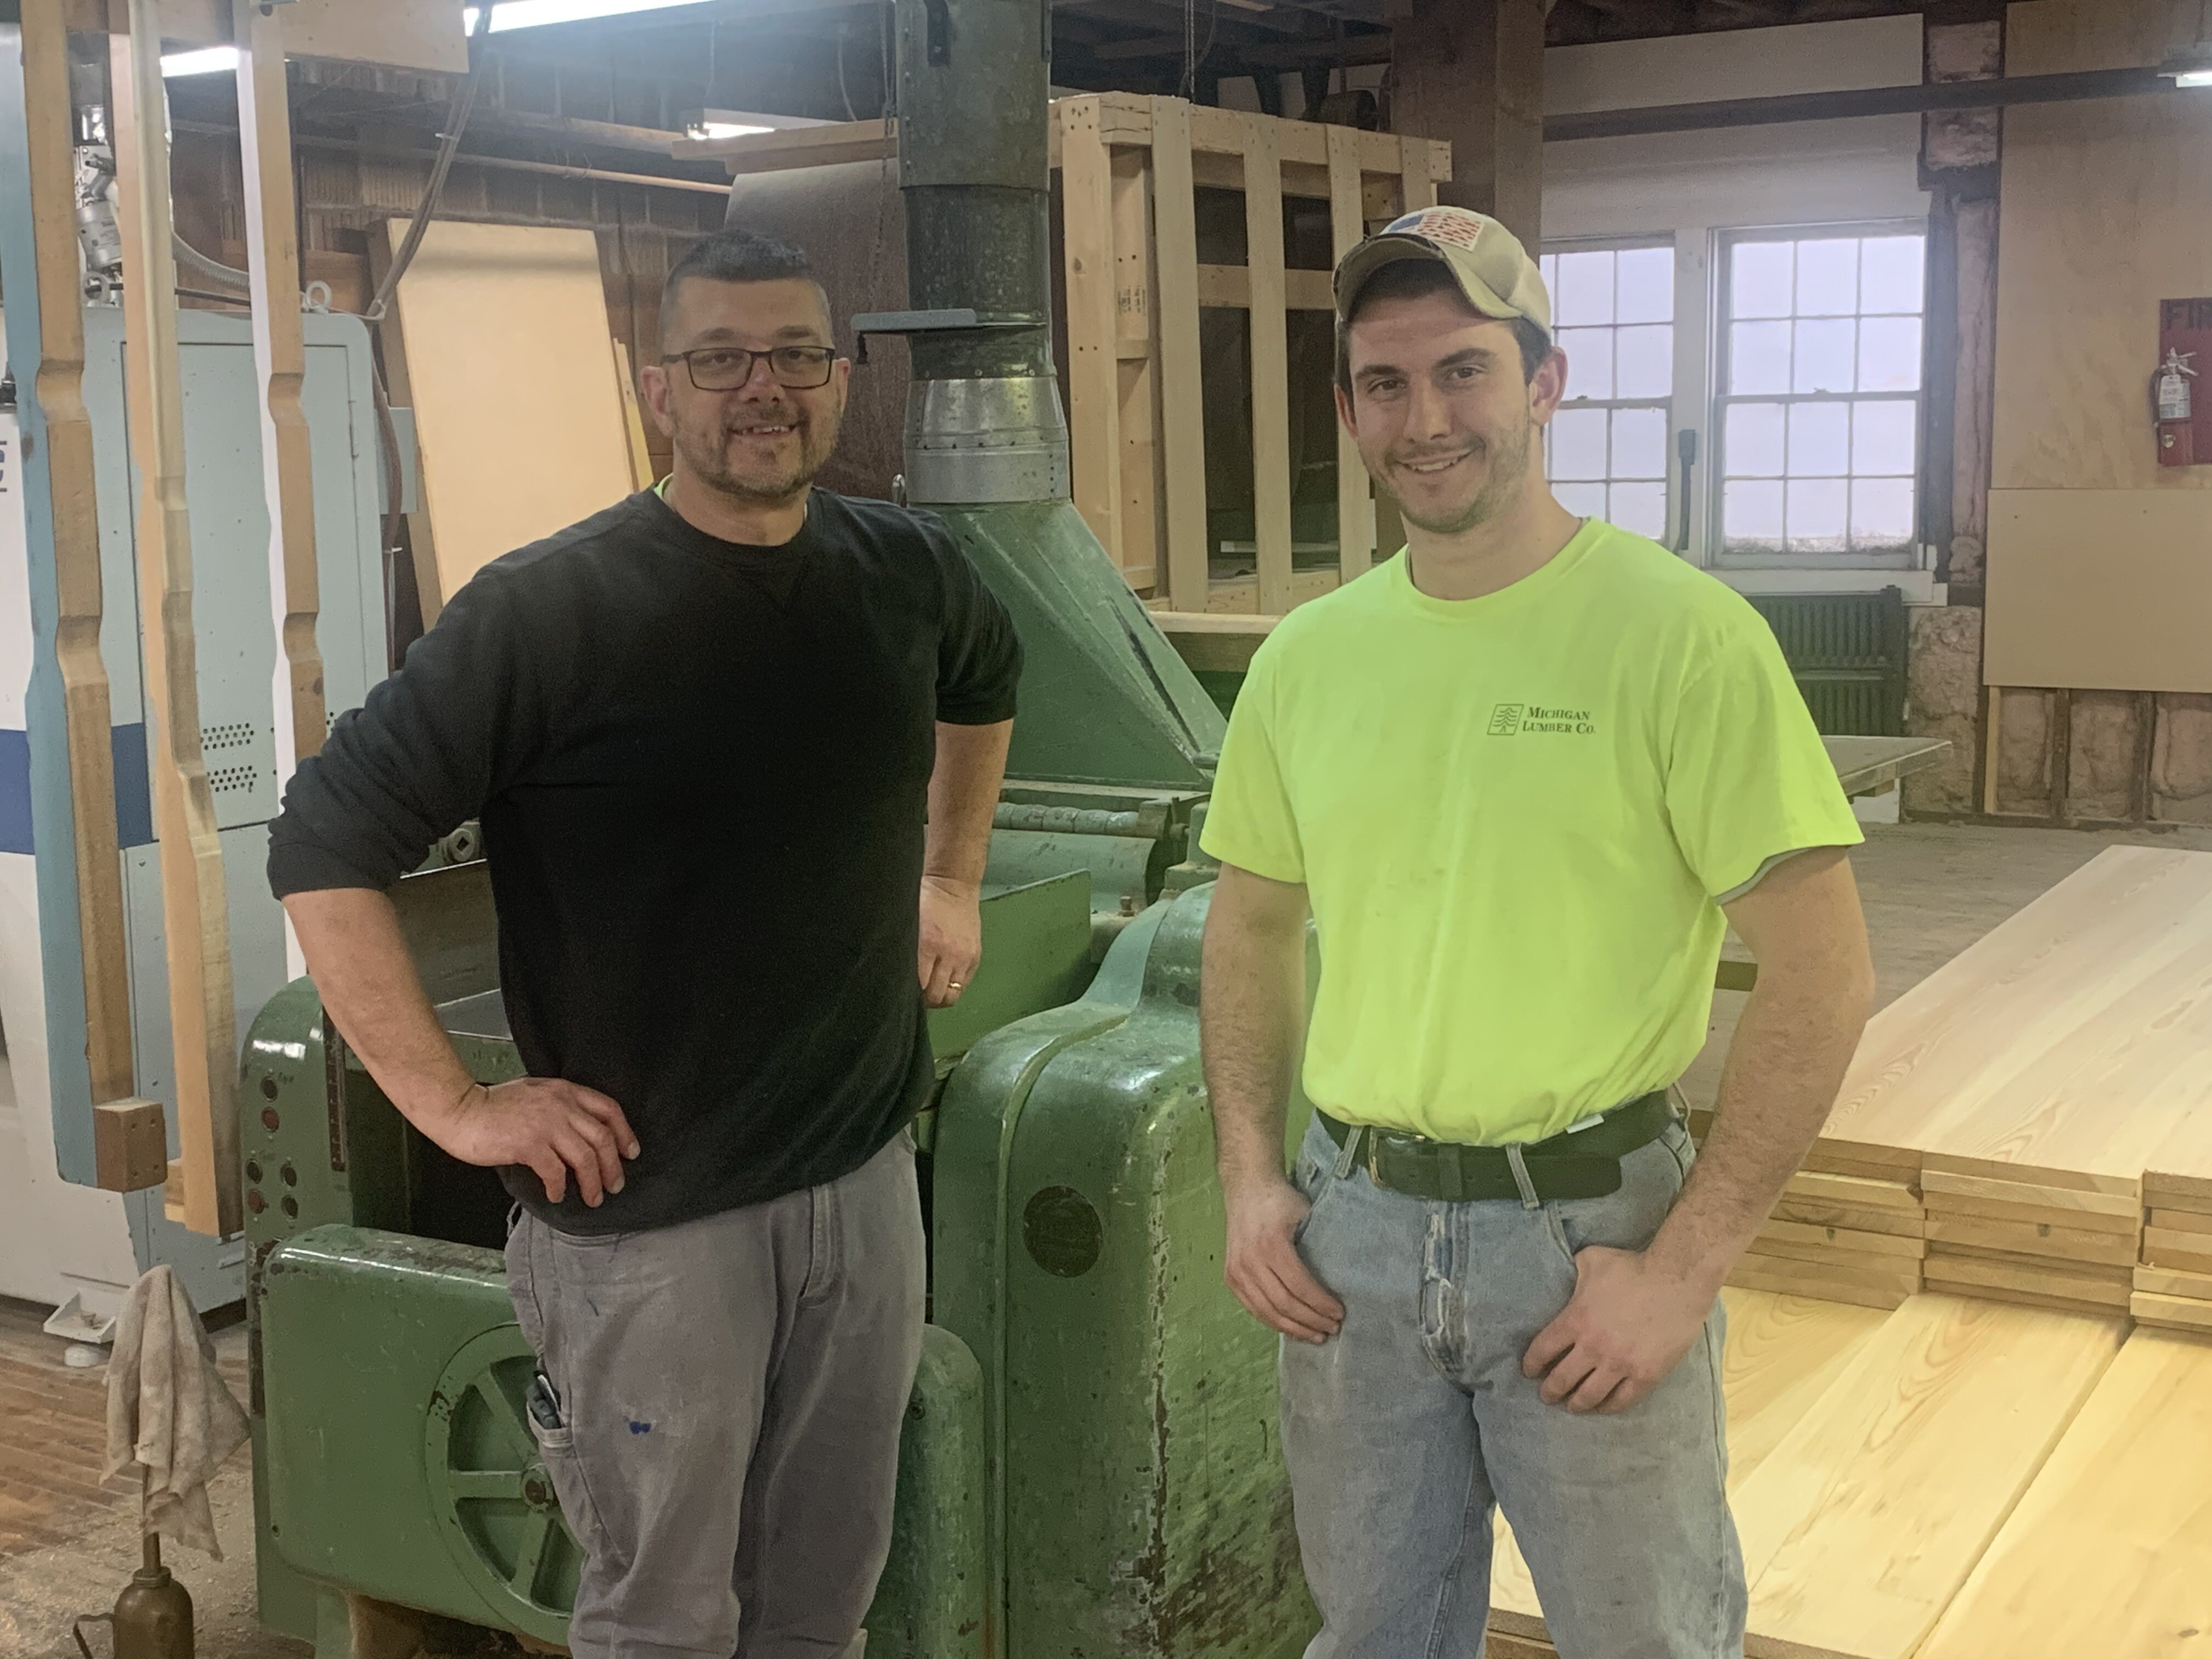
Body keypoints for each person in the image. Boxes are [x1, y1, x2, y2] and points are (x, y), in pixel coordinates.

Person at [267, 226, 1022, 1659]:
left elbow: (987, 677)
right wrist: (454, 1103)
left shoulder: (906, 571)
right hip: (651, 1233)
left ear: (840, 377)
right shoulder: (548, 613)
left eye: (797, 353)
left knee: (822, 1601)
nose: (764, 388)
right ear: (657, 387)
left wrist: (953, 875)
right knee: (666, 1614)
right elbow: (322, 843)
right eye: (720, 357)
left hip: (861, 1190)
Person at [1198, 205, 1877, 1658]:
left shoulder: (1680, 640)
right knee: (1374, 1632)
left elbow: (1826, 978)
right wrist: (1253, 1177)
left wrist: (1686, 1272)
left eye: (1463, 372)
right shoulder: (1310, 663)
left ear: (1545, 382)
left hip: (1589, 1242)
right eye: (1385, 384)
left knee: (1648, 1637)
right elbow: (1250, 931)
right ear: (1348, 410)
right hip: (1353, 1246)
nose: (1424, 419)